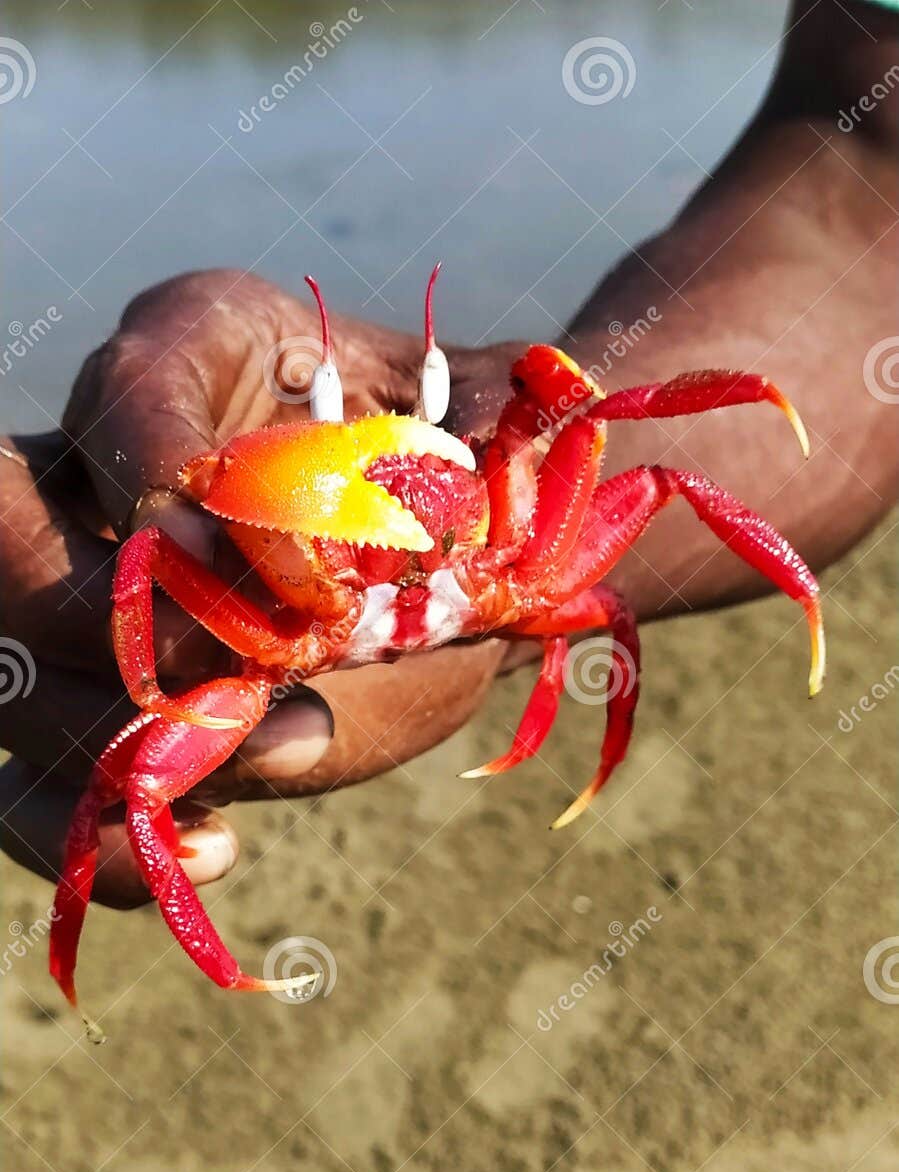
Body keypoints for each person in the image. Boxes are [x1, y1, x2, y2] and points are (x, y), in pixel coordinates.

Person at [0, 0, 895, 909]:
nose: (399, 448)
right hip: (297, 615)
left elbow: (623, 442)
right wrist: (145, 657)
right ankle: (217, 969)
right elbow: (859, 162)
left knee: (641, 514)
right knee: (128, 786)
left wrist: (551, 425)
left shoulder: (509, 516)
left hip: (495, 576)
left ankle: (626, 723)